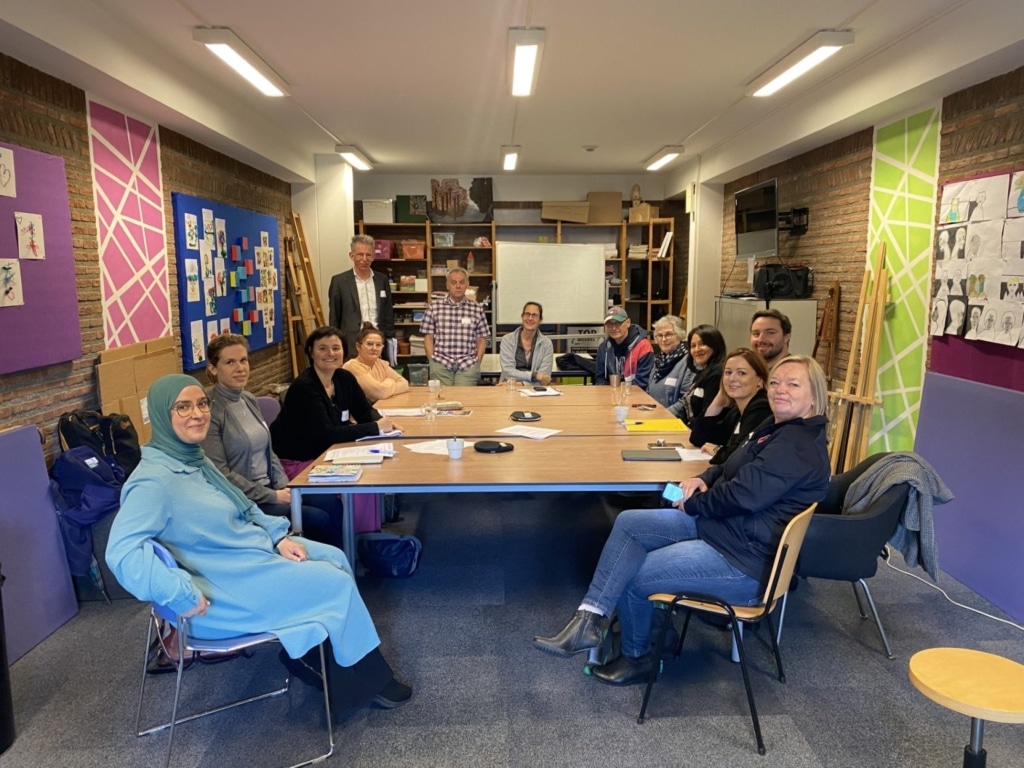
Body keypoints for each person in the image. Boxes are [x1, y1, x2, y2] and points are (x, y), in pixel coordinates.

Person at [105, 374, 411, 711]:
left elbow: (244, 505)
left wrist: (278, 536)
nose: (198, 413)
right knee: (335, 584)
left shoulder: (193, 458)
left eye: (202, 403)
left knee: (335, 557)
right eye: (183, 407)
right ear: (164, 415)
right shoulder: (153, 481)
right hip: (221, 587)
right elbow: (121, 553)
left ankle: (318, 659)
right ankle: (366, 682)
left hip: (246, 558)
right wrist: (180, 594)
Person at [533, 355, 830, 686]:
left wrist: (694, 504)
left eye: (793, 384)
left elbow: (741, 496)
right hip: (727, 532)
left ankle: (639, 657)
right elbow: (728, 464)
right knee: (631, 523)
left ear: (814, 396)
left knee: (634, 573)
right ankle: (591, 617)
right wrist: (705, 477)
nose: (780, 390)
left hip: (743, 562)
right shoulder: (777, 429)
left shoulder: (797, 447)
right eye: (775, 382)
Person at [202, 334, 340, 546]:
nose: (240, 368)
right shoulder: (211, 411)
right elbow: (221, 474)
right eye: (230, 362)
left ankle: (343, 567)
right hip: (245, 499)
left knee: (331, 502)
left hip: (273, 488)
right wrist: (272, 496)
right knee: (316, 519)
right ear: (213, 368)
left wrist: (286, 487)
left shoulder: (247, 398)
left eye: (243, 360)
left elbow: (269, 451)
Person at [271, 326, 400, 467]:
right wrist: (375, 427)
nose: (330, 353)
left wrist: (385, 424)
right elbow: (326, 434)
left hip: (331, 452)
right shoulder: (305, 387)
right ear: (311, 352)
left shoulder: (344, 378)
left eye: (336, 348)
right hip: (298, 459)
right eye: (322, 348)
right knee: (367, 484)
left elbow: (364, 411)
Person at [689, 347, 772, 465]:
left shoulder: (761, 409)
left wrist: (718, 450)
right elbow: (698, 438)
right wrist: (720, 398)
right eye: (728, 372)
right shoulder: (737, 410)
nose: (732, 378)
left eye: (741, 373)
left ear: (759, 379)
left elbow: (740, 456)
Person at [327, 234, 395, 360]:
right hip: (351, 342)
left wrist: (390, 338)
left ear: (373, 256)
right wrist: (335, 343)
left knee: (378, 377)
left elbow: (388, 312)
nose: (364, 259)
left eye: (368, 255)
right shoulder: (339, 281)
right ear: (351, 256)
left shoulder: (382, 280)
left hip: (377, 341)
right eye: (360, 254)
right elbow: (334, 316)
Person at [419, 267, 489, 386]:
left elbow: (482, 339)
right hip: (441, 362)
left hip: (468, 364)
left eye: (461, 282)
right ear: (447, 285)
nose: (458, 286)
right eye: (453, 282)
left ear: (467, 285)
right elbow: (428, 338)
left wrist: (477, 362)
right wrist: (432, 362)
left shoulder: (477, 309)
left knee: (464, 401)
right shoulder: (434, 307)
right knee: (442, 401)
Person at [342, 323, 410, 403]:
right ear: (358, 346)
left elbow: (405, 384)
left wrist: (383, 387)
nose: (374, 348)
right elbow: (380, 393)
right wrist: (390, 381)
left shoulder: (380, 363)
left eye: (378, 345)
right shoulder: (352, 366)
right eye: (369, 344)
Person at [679, 324, 727, 434]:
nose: (697, 349)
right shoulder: (703, 372)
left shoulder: (717, 373)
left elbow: (708, 415)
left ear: (715, 345)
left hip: (703, 437)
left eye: (702, 344)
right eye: (693, 345)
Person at [646, 315, 694, 417]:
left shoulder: (689, 361)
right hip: (654, 417)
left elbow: (686, 400)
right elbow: (649, 391)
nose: (663, 339)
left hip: (675, 421)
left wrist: (663, 415)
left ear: (680, 335)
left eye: (668, 335)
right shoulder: (659, 361)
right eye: (659, 335)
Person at [594, 306, 654, 388]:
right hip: (611, 396)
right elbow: (600, 379)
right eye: (609, 324)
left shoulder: (643, 346)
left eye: (618, 323)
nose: (614, 328)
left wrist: (621, 393)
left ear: (628, 322)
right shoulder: (604, 348)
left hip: (637, 395)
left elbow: (643, 381)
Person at [498, 301, 554, 385]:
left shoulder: (547, 344)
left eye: (534, 315)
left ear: (540, 320)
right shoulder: (507, 340)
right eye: (527, 314)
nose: (530, 318)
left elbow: (544, 377)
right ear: (522, 317)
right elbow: (508, 372)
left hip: (533, 390)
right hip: (509, 389)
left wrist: (522, 384)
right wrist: (534, 375)